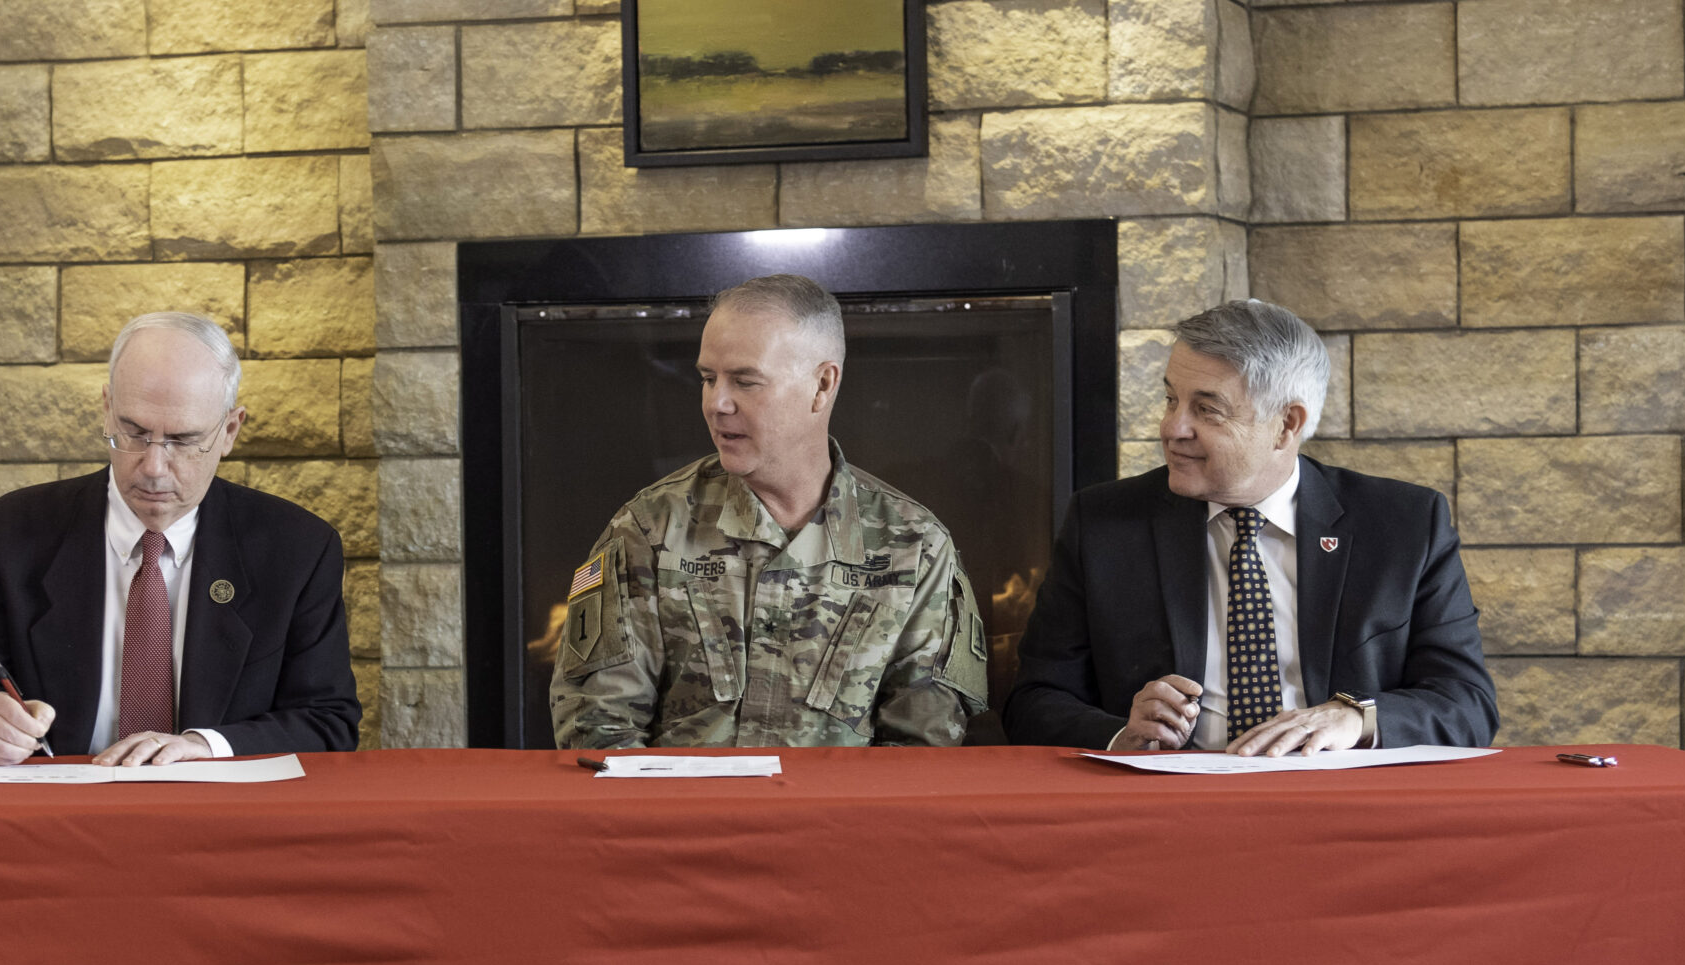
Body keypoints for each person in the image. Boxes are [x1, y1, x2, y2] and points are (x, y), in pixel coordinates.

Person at [1004, 299, 1497, 754]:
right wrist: (1119, 733)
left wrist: (1358, 720)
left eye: (1206, 409)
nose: (1172, 428)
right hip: (1168, 806)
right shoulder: (1104, 524)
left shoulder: (1405, 525)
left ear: (1287, 425)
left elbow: (1467, 703)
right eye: (1171, 400)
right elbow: (1033, 700)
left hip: (1341, 803)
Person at [550, 273, 986, 750]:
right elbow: (599, 732)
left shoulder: (915, 547)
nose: (716, 403)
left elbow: (922, 754)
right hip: (686, 820)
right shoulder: (649, 527)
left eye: (745, 381)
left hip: (840, 823)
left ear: (822, 385)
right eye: (707, 378)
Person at [0, 311, 360, 765]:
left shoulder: (297, 550)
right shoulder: (8, 535)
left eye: (183, 439)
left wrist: (205, 746)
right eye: (134, 433)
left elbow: (327, 721)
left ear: (229, 431)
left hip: (222, 819)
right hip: (58, 814)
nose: (154, 467)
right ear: (106, 409)